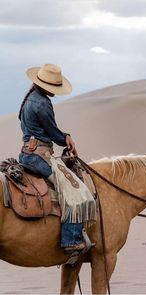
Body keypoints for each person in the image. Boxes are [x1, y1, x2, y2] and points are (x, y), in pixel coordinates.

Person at [18, 64, 96, 254]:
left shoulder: (30, 98)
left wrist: (63, 137)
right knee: (75, 191)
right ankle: (70, 240)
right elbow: (53, 132)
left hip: (27, 153)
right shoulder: (42, 103)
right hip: (39, 157)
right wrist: (66, 138)